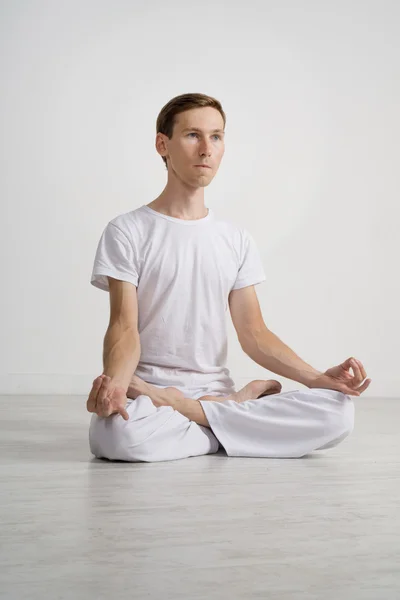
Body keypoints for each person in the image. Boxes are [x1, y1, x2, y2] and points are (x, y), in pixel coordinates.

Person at [87, 92, 371, 462]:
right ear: (163, 145)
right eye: (192, 135)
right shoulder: (127, 230)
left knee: (338, 413)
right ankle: (228, 416)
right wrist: (117, 384)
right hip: (146, 391)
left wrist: (317, 379)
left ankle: (195, 412)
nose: (206, 149)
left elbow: (254, 333)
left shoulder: (235, 239)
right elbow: (124, 327)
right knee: (116, 438)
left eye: (216, 137)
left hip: (204, 389)